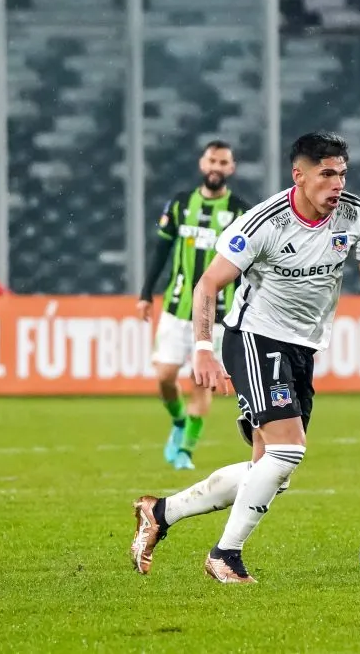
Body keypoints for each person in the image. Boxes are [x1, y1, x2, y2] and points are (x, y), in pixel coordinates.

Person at [129, 132, 360, 582]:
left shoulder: (356, 216)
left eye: (342, 174)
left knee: (270, 471)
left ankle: (160, 512)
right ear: (299, 175)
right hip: (253, 337)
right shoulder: (263, 222)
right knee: (289, 450)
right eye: (326, 174)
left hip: (303, 348)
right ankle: (225, 555)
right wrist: (204, 349)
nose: (337, 184)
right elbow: (208, 285)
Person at [136, 140, 248, 471]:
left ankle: (185, 450)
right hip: (176, 308)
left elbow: (245, 268)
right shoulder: (181, 204)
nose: (216, 167)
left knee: (201, 384)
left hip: (215, 315)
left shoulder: (241, 212)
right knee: (165, 378)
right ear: (203, 164)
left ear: (231, 168)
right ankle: (179, 421)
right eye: (212, 160)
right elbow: (161, 251)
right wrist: (146, 293)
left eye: (223, 162)